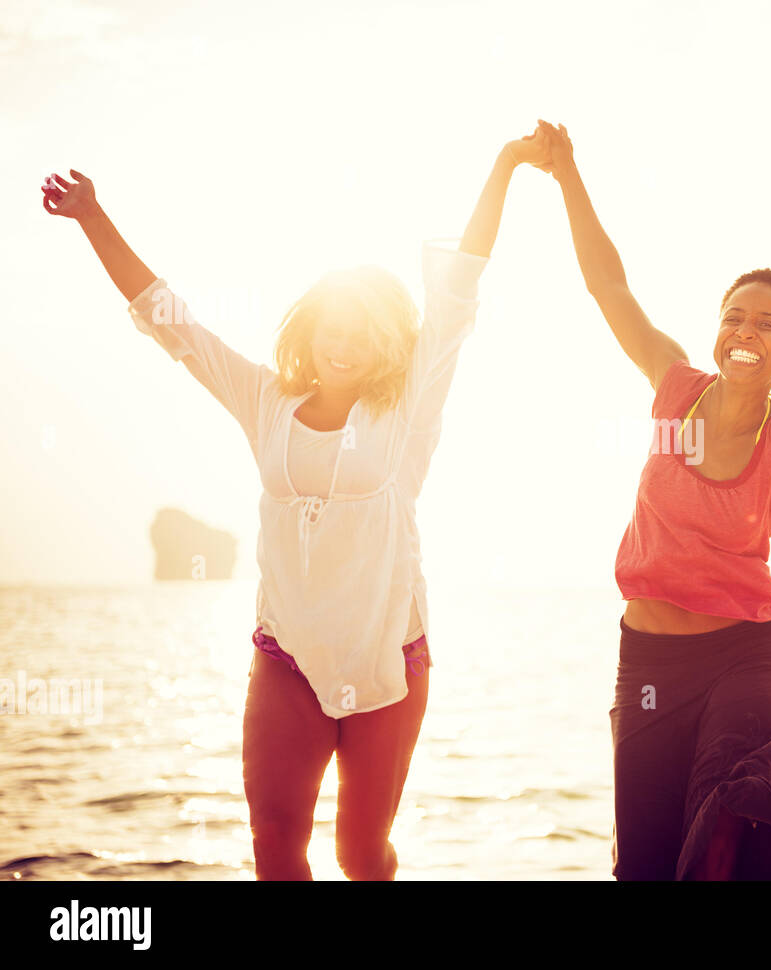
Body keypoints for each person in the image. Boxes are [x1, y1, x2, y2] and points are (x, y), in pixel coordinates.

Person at [40, 127, 549, 879]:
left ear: (387, 344)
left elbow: (455, 290)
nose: (342, 345)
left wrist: (504, 166)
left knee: (359, 852)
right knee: (276, 845)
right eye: (331, 329)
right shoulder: (264, 400)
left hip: (389, 663)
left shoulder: (408, 410)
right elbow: (168, 318)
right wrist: (93, 217)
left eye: (363, 333)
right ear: (308, 333)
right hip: (288, 660)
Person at [527, 120, 771, 879]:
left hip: (746, 655)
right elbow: (608, 285)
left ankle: (756, 802)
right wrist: (567, 173)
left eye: (768, 324)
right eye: (734, 316)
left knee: (719, 821)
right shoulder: (673, 388)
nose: (745, 332)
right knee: (644, 864)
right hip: (650, 661)